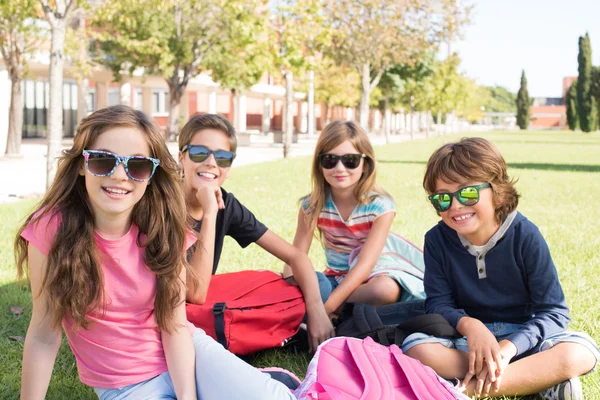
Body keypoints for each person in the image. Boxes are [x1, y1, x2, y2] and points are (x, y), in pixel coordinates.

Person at [15, 105, 295, 400]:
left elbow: (174, 326)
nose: (120, 175)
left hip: (191, 356)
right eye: (102, 161)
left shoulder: (162, 225)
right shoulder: (50, 231)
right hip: (126, 384)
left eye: (137, 165)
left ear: (151, 174)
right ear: (81, 165)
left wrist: (187, 396)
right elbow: (44, 336)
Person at [402, 137, 599, 399]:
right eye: (442, 199)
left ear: (496, 190)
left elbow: (553, 312)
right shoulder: (436, 240)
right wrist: (472, 327)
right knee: (416, 348)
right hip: (466, 343)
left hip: (523, 342)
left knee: (581, 352)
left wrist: (508, 348)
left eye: (468, 193)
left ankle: (462, 390)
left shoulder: (525, 235)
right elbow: (437, 304)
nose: (456, 206)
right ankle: (536, 381)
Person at [178, 113, 334, 353]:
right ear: (181, 158)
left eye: (222, 157)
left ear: (228, 168)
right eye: (199, 153)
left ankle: (286, 325)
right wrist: (210, 213)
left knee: (317, 284)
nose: (211, 163)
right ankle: (280, 328)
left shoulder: (227, 205)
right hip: (171, 315)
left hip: (204, 308)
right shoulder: (164, 204)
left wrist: (317, 312)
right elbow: (194, 293)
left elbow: (295, 257)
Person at [283, 120, 425, 318]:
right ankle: (350, 313)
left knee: (385, 290)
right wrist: (288, 287)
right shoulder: (311, 206)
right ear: (319, 164)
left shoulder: (381, 207)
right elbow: (295, 257)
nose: (339, 168)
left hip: (370, 279)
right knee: (305, 285)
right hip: (333, 280)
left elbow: (365, 264)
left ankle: (330, 312)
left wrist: (325, 308)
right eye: (330, 160)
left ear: (365, 164)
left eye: (350, 160)